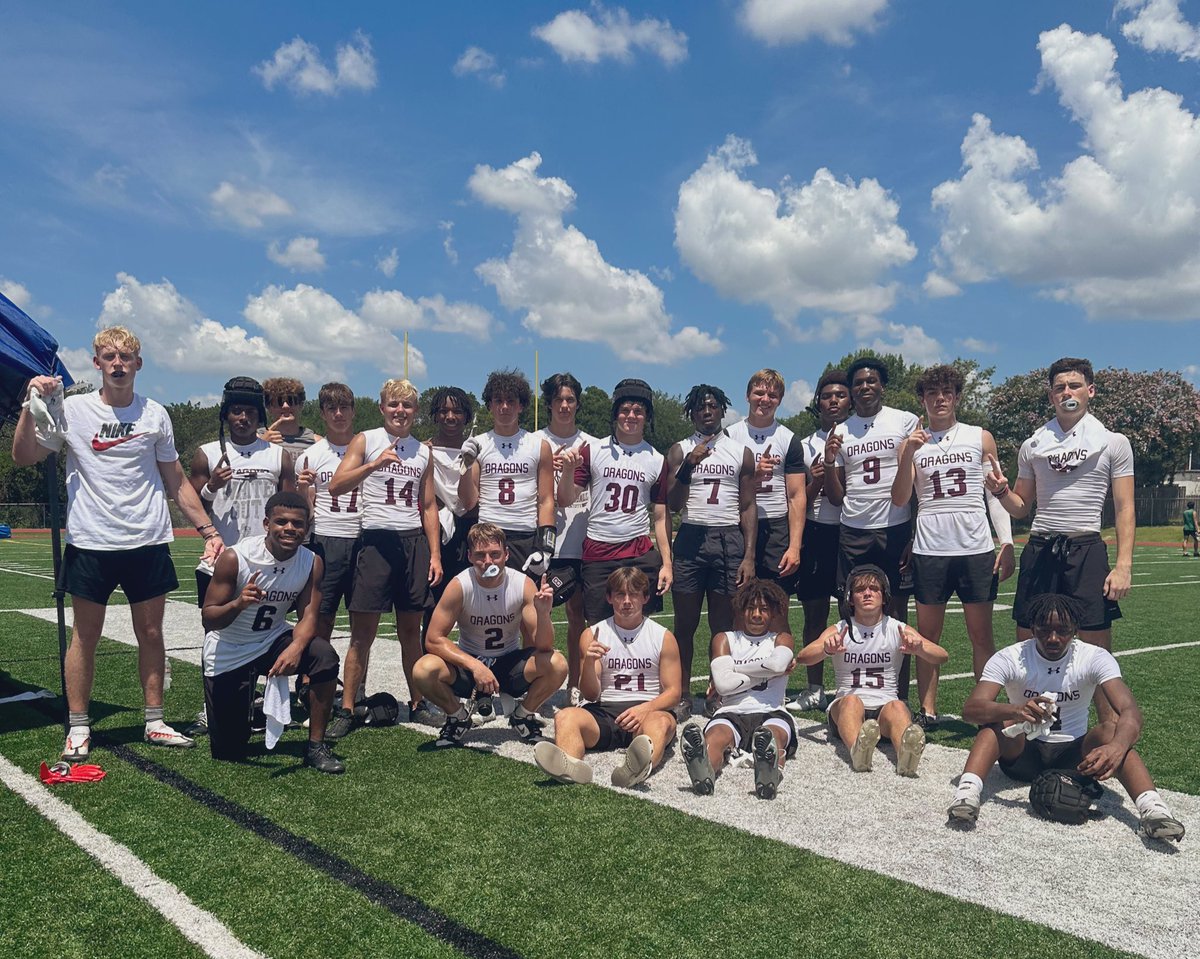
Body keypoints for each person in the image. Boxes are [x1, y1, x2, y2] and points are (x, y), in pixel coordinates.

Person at [11, 326, 222, 759]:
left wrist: (209, 530)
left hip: (146, 539)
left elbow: (176, 480)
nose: (118, 363)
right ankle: (78, 727)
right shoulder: (71, 409)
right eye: (109, 356)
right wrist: (30, 406)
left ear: (139, 364)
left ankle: (155, 720)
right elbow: (25, 456)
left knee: (150, 632)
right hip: (91, 542)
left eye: (126, 356)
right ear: (97, 363)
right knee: (85, 636)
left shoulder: (155, 415)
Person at [948, 594, 1184, 842]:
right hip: (1022, 754)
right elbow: (972, 709)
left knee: (1111, 731)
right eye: (1044, 630)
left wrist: (1116, 748)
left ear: (1075, 630)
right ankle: (966, 796)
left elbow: (1131, 711)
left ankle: (1154, 810)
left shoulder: (1093, 656)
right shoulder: (1011, 657)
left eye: (1062, 631)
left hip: (1075, 759)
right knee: (997, 725)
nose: (1053, 638)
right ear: (1032, 628)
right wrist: (1016, 710)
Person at [985, 357, 1133, 720]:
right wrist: (1002, 492)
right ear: (1050, 395)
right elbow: (1021, 507)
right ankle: (1024, 724)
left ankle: (1107, 732)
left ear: (1090, 391)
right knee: (1026, 640)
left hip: (1086, 549)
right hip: (1040, 548)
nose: (1067, 392)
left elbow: (1125, 507)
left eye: (1075, 385)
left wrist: (1124, 565)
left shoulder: (1113, 442)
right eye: (1060, 387)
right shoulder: (1033, 444)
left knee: (1096, 648)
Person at [890, 364, 1014, 728]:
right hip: (930, 549)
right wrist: (908, 454)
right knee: (928, 637)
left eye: (947, 392)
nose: (940, 399)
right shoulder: (912, 442)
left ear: (958, 397)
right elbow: (899, 499)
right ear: (923, 399)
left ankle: (986, 709)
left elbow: (994, 492)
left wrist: (1005, 540)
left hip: (975, 547)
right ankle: (927, 710)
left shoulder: (980, 436)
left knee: (981, 635)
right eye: (932, 393)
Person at [326, 379, 442, 736]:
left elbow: (427, 504)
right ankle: (347, 708)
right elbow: (336, 485)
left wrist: (435, 553)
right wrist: (374, 466)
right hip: (375, 540)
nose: (400, 411)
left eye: (407, 405)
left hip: (412, 543)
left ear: (415, 411)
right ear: (382, 407)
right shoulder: (366, 439)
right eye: (394, 404)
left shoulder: (423, 452)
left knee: (411, 631)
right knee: (363, 634)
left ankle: (419, 703)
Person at [200, 491, 343, 773]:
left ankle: (316, 745)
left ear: (306, 528)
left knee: (323, 655)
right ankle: (247, 710)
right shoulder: (236, 557)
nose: (290, 529)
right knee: (229, 750)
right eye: (282, 522)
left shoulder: (311, 561)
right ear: (267, 524)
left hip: (271, 639)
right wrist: (239, 603)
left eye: (298, 524)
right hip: (230, 647)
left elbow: (310, 615)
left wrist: (296, 647)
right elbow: (209, 619)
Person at [413, 523, 568, 747]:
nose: (488, 562)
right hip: (470, 664)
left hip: (508, 663)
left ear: (506, 554)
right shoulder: (460, 585)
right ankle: (458, 717)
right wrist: (475, 666)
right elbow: (433, 639)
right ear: (469, 556)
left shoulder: (521, 584)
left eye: (495, 554)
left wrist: (544, 614)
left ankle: (523, 714)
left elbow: (545, 646)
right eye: (480, 555)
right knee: (423, 669)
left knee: (557, 663)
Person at [824, 356, 920, 702]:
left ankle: (899, 697)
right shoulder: (841, 430)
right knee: (849, 610)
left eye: (871, 381)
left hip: (894, 528)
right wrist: (829, 460)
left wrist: (913, 531)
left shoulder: (904, 420)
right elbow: (835, 498)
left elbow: (918, 480)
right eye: (859, 383)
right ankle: (850, 690)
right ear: (851, 391)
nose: (865, 387)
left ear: (882, 385)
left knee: (895, 613)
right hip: (853, 528)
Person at [533, 566, 680, 787]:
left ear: (645, 598)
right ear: (610, 598)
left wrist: (645, 709)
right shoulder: (593, 634)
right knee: (566, 717)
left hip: (647, 710)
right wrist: (590, 664)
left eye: (634, 594)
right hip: (605, 709)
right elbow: (591, 694)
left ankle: (637, 769)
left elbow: (674, 692)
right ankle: (570, 766)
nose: (627, 601)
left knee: (661, 723)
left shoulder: (663, 637)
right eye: (620, 594)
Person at [795, 565, 946, 775]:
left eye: (874, 589)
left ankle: (906, 754)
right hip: (847, 709)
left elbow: (941, 655)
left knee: (898, 707)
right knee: (851, 701)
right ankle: (857, 749)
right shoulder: (840, 629)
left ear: (884, 597)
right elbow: (803, 657)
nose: (867, 593)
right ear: (850, 598)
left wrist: (920, 648)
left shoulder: (897, 628)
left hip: (884, 707)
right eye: (860, 590)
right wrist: (826, 650)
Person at [666, 384, 757, 720]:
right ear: (692, 413)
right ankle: (683, 692)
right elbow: (673, 505)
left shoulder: (741, 452)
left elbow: (748, 505)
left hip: (727, 538)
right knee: (685, 624)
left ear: (722, 410)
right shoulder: (679, 450)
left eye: (713, 406)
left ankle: (719, 691)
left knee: (723, 625)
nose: (707, 411)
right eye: (700, 407)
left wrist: (749, 555)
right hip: (691, 537)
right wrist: (688, 466)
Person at [557, 377, 672, 629]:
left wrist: (667, 564)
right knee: (599, 628)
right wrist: (567, 470)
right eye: (625, 409)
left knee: (641, 629)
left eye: (638, 411)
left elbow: (661, 516)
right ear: (616, 413)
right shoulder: (593, 449)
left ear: (647, 416)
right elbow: (565, 499)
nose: (631, 416)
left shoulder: (657, 459)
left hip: (638, 550)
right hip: (599, 552)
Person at [680, 579, 797, 799]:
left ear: (773, 613)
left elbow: (777, 665)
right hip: (731, 711)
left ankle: (770, 774)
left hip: (771, 710)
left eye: (763, 609)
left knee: (773, 736)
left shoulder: (782, 639)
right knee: (715, 737)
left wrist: (734, 669)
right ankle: (704, 770)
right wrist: (766, 673)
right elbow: (724, 685)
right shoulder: (724, 639)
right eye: (750, 608)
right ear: (741, 610)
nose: (756, 614)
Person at [190, 377, 294, 606]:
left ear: (260, 417)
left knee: (265, 629)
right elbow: (193, 510)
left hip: (266, 559)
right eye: (236, 411)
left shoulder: (278, 455)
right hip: (219, 558)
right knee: (215, 627)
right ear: (226, 415)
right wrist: (211, 487)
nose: (243, 418)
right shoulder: (207, 453)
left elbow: (290, 511)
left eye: (250, 412)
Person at [789, 370, 851, 713]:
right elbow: (800, 499)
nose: (834, 401)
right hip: (816, 531)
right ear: (818, 402)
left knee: (849, 612)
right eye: (827, 396)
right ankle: (814, 687)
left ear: (850, 400)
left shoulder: (859, 437)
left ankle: (848, 685)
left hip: (851, 533)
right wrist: (814, 480)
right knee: (814, 613)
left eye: (841, 395)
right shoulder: (805, 443)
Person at [724, 368, 807, 616]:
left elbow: (796, 496)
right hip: (737, 525)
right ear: (748, 396)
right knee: (738, 607)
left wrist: (794, 546)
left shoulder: (788, 438)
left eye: (772, 395)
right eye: (759, 393)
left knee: (776, 607)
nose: (765, 400)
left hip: (775, 527)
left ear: (780, 400)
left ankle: (780, 655)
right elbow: (726, 488)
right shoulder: (730, 436)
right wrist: (752, 478)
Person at [457, 369, 556, 577]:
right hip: (487, 534)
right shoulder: (479, 444)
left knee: (527, 604)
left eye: (510, 401)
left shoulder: (539, 445)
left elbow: (546, 500)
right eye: (498, 401)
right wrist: (465, 467)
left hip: (524, 534)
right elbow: (468, 502)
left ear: (521, 405)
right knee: (485, 605)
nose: (504, 407)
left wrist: (546, 547)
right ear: (490, 405)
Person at [535, 372, 597, 703]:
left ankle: (574, 683)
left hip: (577, 539)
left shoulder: (592, 444)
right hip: (541, 540)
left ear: (577, 403)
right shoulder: (534, 441)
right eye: (558, 399)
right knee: (530, 616)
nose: (564, 405)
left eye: (570, 399)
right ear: (548, 404)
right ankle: (533, 681)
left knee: (577, 617)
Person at [295, 383, 361, 644]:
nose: (338, 414)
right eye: (331, 408)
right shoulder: (310, 456)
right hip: (326, 537)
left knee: (362, 621)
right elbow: (305, 513)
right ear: (322, 413)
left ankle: (357, 686)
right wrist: (302, 490)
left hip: (362, 537)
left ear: (353, 411)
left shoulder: (369, 448)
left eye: (344, 407)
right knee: (322, 617)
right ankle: (315, 680)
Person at [425, 386, 479, 596]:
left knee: (473, 600)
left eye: (456, 411)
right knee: (434, 601)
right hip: (433, 531)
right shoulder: (424, 451)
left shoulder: (478, 450)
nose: (450, 416)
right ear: (435, 415)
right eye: (443, 411)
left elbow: (472, 501)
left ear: (466, 416)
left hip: (470, 531)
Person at [260, 377, 322, 458]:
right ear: (268, 407)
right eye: (279, 402)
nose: (285, 406)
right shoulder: (257, 437)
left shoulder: (317, 442)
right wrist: (260, 445)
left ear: (301, 404)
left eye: (291, 401)